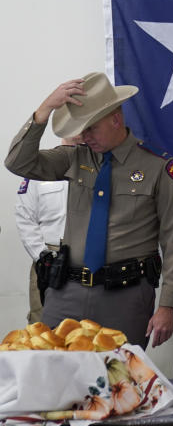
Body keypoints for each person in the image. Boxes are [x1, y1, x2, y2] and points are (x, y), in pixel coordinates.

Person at [5, 72, 173, 348]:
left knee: (118, 381)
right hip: (66, 292)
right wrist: (43, 110)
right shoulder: (73, 158)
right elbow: (17, 162)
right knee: (51, 376)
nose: (84, 135)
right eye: (81, 128)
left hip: (125, 297)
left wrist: (167, 306)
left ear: (115, 119)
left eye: (91, 127)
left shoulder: (157, 168)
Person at [14, 135, 82, 323]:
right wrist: (42, 256)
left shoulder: (100, 166)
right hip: (49, 257)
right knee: (42, 323)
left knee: (87, 329)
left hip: (86, 257)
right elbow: (25, 218)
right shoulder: (41, 167)